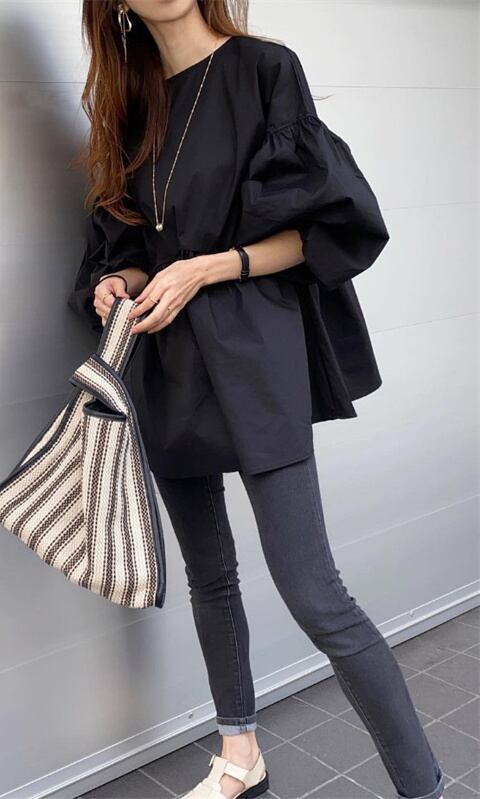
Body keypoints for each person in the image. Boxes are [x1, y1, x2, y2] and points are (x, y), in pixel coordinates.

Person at [66, 2, 446, 799]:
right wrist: (118, 282)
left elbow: (323, 231)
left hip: (254, 356)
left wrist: (209, 267)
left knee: (315, 592)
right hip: (169, 362)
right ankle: (240, 755)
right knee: (210, 576)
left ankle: (424, 786)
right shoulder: (129, 109)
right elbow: (134, 244)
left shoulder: (264, 70)